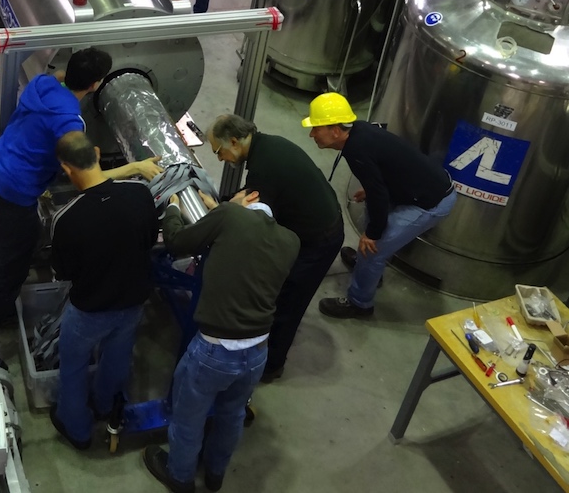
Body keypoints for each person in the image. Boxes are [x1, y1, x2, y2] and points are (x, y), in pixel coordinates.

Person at [0, 47, 161, 350]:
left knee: (19, 250)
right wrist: (135, 167)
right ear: (96, 85)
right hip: (15, 195)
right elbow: (88, 177)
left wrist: (73, 76)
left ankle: (2, 305)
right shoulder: (69, 122)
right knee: (8, 273)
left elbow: (59, 77)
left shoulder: (42, 85)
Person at [144, 190, 299, 493]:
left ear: (249, 197)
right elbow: (251, 246)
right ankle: (215, 474)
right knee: (232, 414)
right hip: (257, 351)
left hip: (214, 350)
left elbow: (176, 242)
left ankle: (179, 476)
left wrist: (174, 207)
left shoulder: (229, 216)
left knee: (189, 416)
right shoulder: (291, 241)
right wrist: (223, 210)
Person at [207, 114, 343, 382]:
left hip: (318, 241)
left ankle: (270, 367)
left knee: (287, 302)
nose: (220, 159)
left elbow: (256, 226)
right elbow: (257, 192)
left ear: (233, 142)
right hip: (318, 224)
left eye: (218, 151)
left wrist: (220, 212)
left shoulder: (264, 167)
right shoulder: (268, 146)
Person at [47, 131, 159, 450]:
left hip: (89, 311)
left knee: (73, 366)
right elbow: (151, 239)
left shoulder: (67, 218)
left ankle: (77, 428)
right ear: (97, 153)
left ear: (67, 170)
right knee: (118, 356)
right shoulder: (139, 192)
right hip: (134, 301)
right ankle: (105, 404)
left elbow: (63, 272)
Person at [301, 92, 457, 319]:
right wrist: (373, 189)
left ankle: (360, 304)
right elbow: (385, 168)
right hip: (418, 188)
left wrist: (373, 234)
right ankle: (371, 273)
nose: (311, 134)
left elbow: (378, 194)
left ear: (335, 130)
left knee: (372, 249)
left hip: (430, 202)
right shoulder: (359, 132)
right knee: (371, 225)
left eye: (316, 128)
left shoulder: (356, 150)